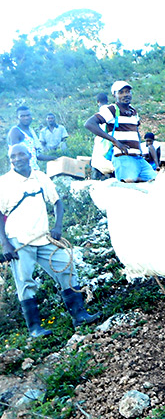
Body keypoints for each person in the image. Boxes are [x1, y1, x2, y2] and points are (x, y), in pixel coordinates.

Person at [0, 144, 99, 337]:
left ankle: (80, 316)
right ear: (9, 159)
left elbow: (57, 202)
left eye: (21, 154)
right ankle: (35, 328)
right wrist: (5, 243)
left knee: (67, 268)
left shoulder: (40, 177)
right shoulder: (4, 182)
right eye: (13, 156)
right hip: (19, 240)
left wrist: (58, 227)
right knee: (25, 282)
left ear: (30, 156)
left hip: (44, 237)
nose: (17, 159)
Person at [84, 81, 156, 183]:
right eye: (121, 92)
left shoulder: (133, 111)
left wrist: (139, 149)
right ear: (114, 95)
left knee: (155, 181)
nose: (125, 95)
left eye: (128, 92)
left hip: (138, 158)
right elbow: (89, 124)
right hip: (124, 158)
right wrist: (115, 142)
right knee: (128, 187)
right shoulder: (112, 109)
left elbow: (135, 132)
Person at [7, 106, 56, 171]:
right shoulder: (15, 131)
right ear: (17, 118)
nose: (26, 118)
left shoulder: (30, 131)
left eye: (28, 115)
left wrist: (54, 158)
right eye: (22, 116)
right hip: (22, 172)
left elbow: (36, 155)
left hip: (33, 170)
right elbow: (16, 156)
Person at [90, 93, 114, 179]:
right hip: (112, 142)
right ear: (107, 100)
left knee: (97, 164)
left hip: (103, 143)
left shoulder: (102, 112)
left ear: (98, 102)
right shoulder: (112, 111)